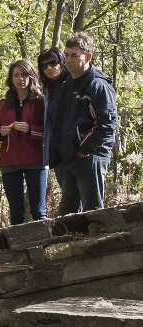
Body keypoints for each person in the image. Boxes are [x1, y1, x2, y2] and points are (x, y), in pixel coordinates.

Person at [52, 31, 117, 214]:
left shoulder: (98, 85)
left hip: (91, 156)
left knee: (93, 210)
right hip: (71, 157)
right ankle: (70, 243)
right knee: (67, 213)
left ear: (88, 56)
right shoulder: (68, 85)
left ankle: (100, 242)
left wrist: (84, 150)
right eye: (66, 55)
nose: (68, 59)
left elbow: (107, 124)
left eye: (74, 55)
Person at [0, 59, 47, 225]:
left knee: (38, 211)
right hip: (9, 163)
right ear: (11, 79)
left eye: (25, 74)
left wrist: (29, 129)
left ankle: (45, 247)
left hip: (36, 161)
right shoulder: (2, 105)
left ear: (31, 76)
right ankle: (19, 249)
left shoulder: (41, 102)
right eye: (16, 75)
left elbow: (49, 133)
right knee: (16, 213)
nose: (21, 78)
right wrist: (0, 132)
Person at [37, 46, 70, 188]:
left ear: (62, 61)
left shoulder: (73, 83)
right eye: (44, 66)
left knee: (87, 199)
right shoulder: (49, 90)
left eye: (53, 63)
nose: (49, 68)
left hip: (76, 148)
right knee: (68, 196)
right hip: (58, 150)